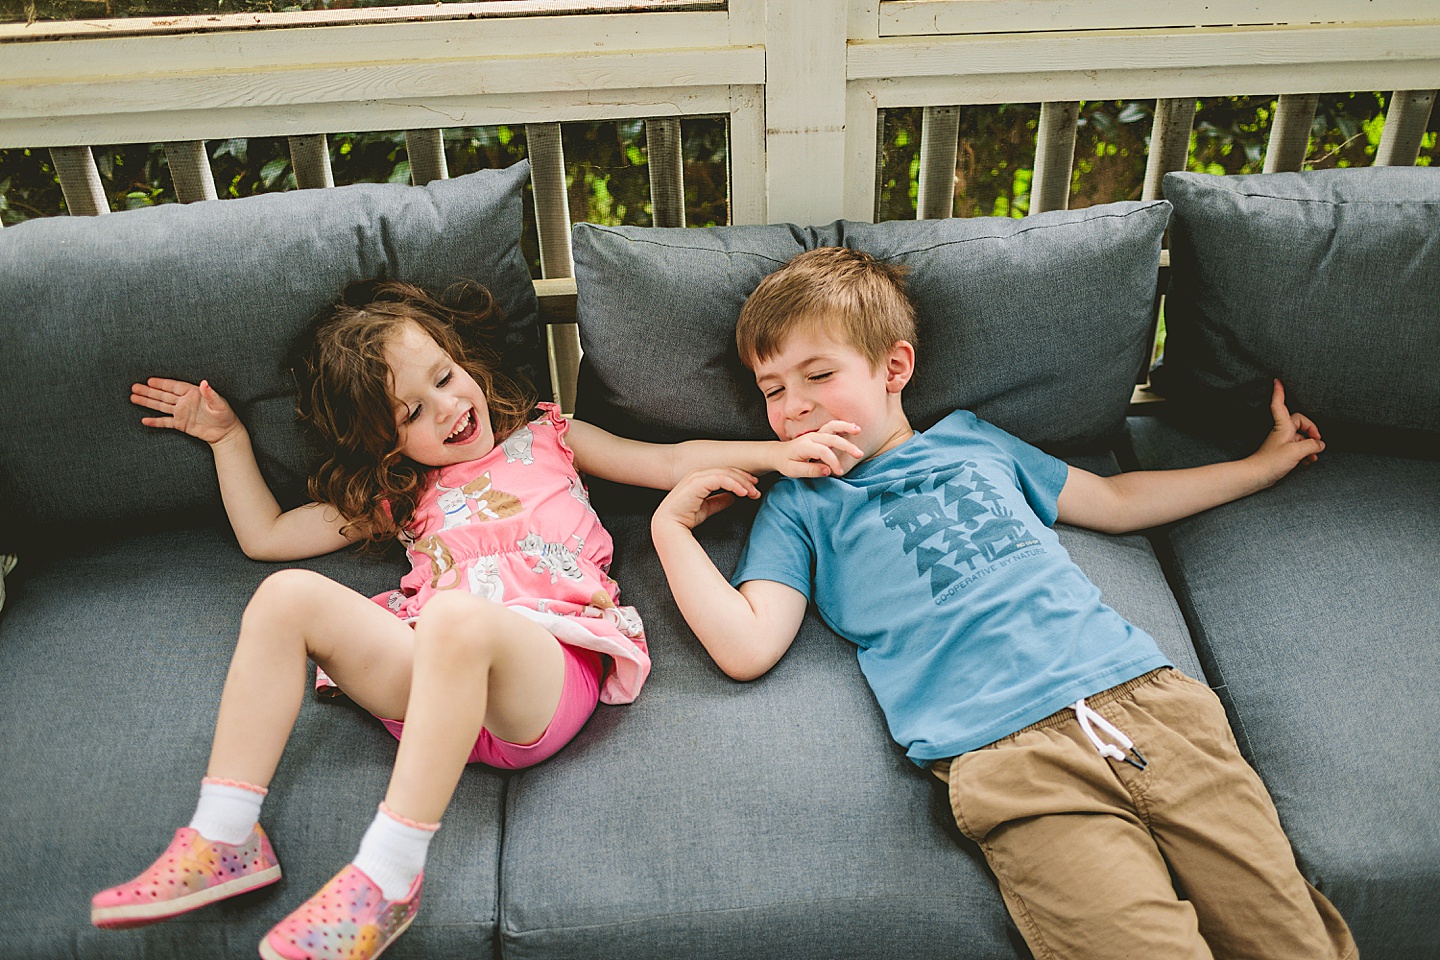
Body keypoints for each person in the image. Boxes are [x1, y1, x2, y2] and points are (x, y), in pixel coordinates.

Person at [92, 279, 856, 960]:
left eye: (447, 379)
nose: (451, 409)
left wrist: (780, 452)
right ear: (386, 441)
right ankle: (225, 834)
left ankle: (386, 875)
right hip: (431, 692)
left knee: (458, 619)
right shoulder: (399, 496)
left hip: (542, 677)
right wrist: (227, 439)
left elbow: (668, 461)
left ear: (466, 362)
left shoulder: (549, 438)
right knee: (286, 595)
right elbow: (265, 539)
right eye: (413, 413)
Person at [650, 247, 1357, 960]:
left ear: (894, 369)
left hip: (1149, 704)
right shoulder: (800, 508)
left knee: (1292, 941)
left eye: (818, 376)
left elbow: (1114, 501)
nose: (792, 408)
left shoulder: (973, 441)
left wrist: (1261, 465)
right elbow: (746, 647)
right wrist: (670, 528)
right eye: (771, 390)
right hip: (1009, 758)